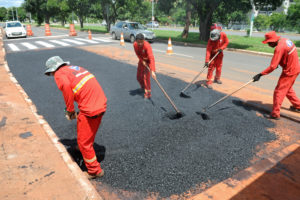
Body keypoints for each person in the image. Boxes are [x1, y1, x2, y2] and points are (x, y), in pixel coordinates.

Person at [44, 56, 107, 178]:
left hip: (90, 109)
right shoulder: (74, 68)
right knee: (85, 125)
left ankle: (95, 171)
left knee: (84, 143)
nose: (52, 75)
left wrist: (70, 110)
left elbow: (67, 88)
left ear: (52, 70)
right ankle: (81, 147)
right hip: (100, 102)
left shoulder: (59, 74)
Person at [253, 31, 300, 120]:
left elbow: (273, 66)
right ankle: (298, 106)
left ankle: (275, 114)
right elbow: (287, 54)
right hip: (296, 68)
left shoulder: (279, 48)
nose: (268, 45)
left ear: (274, 41)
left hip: (289, 71)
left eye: (269, 43)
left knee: (279, 91)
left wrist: (260, 74)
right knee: (288, 89)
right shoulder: (285, 40)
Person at [205, 23, 229, 89]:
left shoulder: (223, 35)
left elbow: (226, 42)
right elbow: (208, 51)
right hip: (212, 55)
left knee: (219, 67)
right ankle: (208, 82)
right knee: (211, 68)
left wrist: (222, 48)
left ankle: (217, 78)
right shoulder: (210, 40)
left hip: (219, 54)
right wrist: (207, 61)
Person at [133, 33, 156, 99]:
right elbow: (137, 54)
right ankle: (143, 87)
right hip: (142, 61)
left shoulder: (147, 46)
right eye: (138, 42)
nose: (140, 44)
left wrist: (153, 71)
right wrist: (142, 60)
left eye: (141, 42)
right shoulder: (135, 45)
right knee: (139, 77)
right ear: (136, 41)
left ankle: (148, 93)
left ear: (144, 40)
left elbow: (151, 58)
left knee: (146, 77)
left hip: (148, 61)